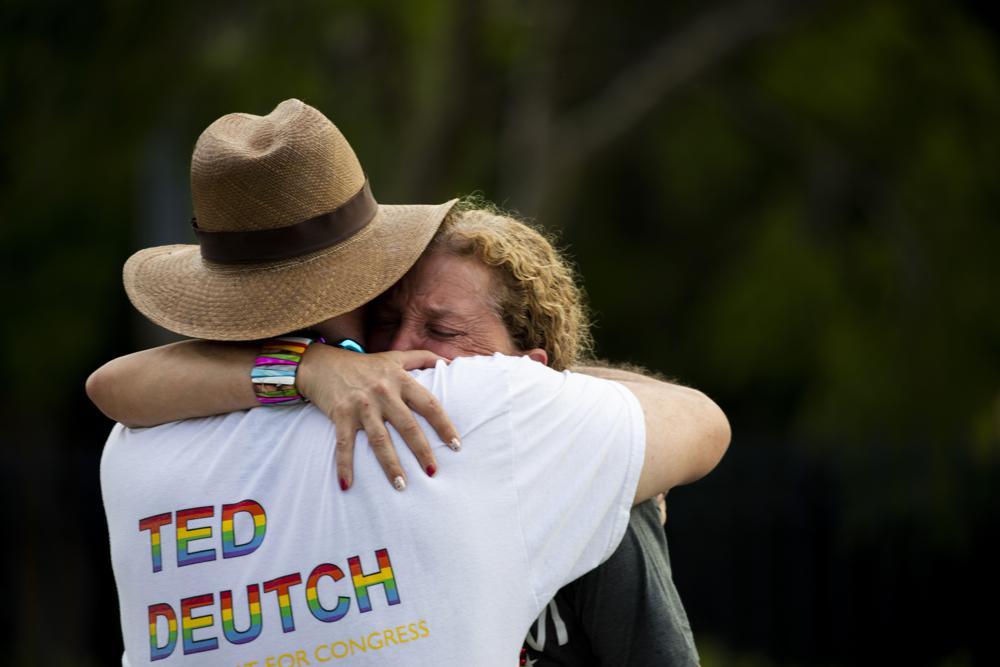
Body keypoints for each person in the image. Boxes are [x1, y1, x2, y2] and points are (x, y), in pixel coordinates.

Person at [94, 99, 729, 665]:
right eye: (390, 317)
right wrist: (555, 396)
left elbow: (111, 384)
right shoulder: (472, 410)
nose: (399, 350)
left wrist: (305, 368)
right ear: (358, 272)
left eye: (439, 329)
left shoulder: (135, 450)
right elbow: (701, 423)